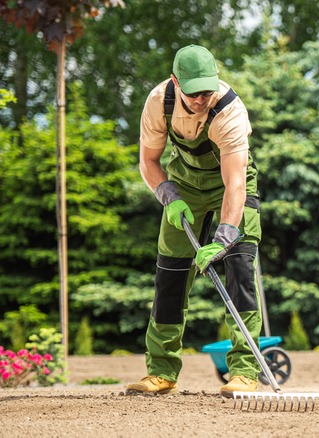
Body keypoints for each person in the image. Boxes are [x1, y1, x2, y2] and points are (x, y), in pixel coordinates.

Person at [127, 44, 263, 397]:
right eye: (194, 92)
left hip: (230, 187)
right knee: (169, 276)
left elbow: (234, 183)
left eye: (207, 90)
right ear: (175, 82)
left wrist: (225, 235)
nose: (202, 98)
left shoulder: (229, 110)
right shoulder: (159, 102)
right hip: (183, 185)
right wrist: (168, 197)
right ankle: (161, 371)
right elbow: (149, 163)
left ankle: (245, 372)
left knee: (239, 271)